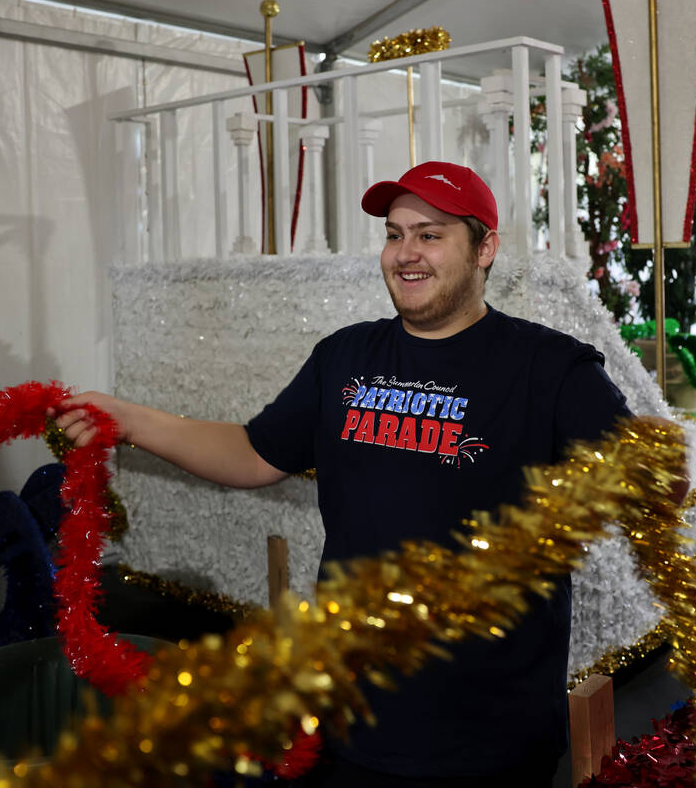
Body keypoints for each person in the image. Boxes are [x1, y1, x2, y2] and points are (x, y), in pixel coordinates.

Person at [52, 161, 635, 787]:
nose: (405, 253)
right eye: (394, 234)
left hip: (489, 737)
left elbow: (649, 482)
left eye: (431, 235)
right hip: (351, 723)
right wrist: (127, 420)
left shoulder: (550, 369)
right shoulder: (346, 357)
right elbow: (253, 452)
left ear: (484, 249)